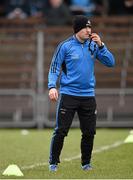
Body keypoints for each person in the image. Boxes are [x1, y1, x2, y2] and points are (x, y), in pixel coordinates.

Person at [48, 15, 115, 172]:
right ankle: (53, 163)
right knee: (61, 130)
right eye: (85, 27)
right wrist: (52, 86)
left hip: (88, 96)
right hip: (68, 94)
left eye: (90, 27)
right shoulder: (65, 46)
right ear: (77, 29)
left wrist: (102, 45)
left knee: (89, 132)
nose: (89, 30)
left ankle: (86, 164)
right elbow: (54, 67)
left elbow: (111, 62)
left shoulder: (93, 45)